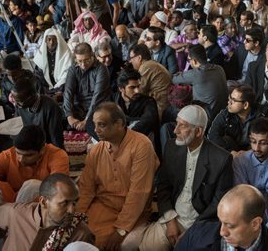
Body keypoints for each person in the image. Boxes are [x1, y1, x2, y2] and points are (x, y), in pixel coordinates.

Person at [139, 105, 233, 251]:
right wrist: (170, 221)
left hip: (201, 222)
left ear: (198, 131)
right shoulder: (171, 147)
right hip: (172, 216)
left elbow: (218, 203)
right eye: (177, 123)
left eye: (182, 126)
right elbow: (163, 185)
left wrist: (193, 231)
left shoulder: (221, 159)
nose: (175, 130)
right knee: (147, 247)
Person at [77, 102, 159, 250]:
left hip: (134, 212)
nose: (96, 130)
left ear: (119, 124)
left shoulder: (141, 145)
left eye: (101, 125)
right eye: (95, 124)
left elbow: (138, 193)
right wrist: (76, 216)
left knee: (107, 243)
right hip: (103, 206)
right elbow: (86, 189)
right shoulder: (96, 151)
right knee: (79, 235)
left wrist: (121, 229)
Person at [0, 173, 94, 250]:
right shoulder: (16, 213)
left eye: (74, 203)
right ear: (43, 202)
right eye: (64, 203)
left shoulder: (81, 235)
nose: (71, 211)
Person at [173, 184, 268, 251]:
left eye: (230, 226)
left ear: (255, 223)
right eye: (221, 221)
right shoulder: (197, 232)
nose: (222, 232)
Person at [233, 117, 268, 233]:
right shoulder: (240, 161)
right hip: (246, 217)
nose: (256, 148)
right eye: (253, 141)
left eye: (263, 143)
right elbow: (241, 197)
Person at [0, 125, 69, 204]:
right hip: (10, 205)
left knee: (32, 187)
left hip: (40, 207)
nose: (21, 159)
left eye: (28, 155)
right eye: (18, 153)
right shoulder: (8, 155)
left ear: (42, 150)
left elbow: (57, 187)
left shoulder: (58, 155)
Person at [63, 43, 110, 139]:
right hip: (78, 108)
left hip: (97, 108)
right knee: (56, 117)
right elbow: (68, 93)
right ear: (75, 59)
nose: (83, 65)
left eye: (86, 60)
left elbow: (97, 97)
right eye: (80, 61)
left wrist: (87, 120)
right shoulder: (73, 69)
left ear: (92, 55)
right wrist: (70, 117)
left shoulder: (101, 69)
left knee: (98, 127)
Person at [172, 44, 227, 120]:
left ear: (194, 61)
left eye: (189, 60)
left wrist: (181, 74)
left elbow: (174, 79)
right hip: (224, 114)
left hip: (205, 118)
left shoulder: (196, 73)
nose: (189, 62)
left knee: (172, 111)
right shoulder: (219, 68)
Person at [12, 77, 64, 149]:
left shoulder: (51, 107)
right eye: (15, 101)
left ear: (31, 97)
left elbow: (56, 139)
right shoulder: (20, 106)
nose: (16, 105)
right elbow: (16, 131)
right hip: (26, 147)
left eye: (19, 102)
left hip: (45, 148)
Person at [208, 84, 259, 153]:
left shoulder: (262, 116)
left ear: (245, 105)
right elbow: (212, 136)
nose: (229, 102)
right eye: (230, 98)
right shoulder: (226, 114)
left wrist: (249, 153)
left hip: (255, 153)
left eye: (234, 100)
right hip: (231, 151)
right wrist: (231, 151)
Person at [112, 67, 159, 138]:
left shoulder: (148, 101)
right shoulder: (111, 100)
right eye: (132, 87)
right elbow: (92, 120)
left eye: (138, 86)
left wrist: (124, 136)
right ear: (121, 89)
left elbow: (148, 121)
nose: (137, 91)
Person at [128, 43, 171, 119]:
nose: (130, 61)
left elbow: (139, 92)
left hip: (160, 108)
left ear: (139, 57)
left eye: (131, 58)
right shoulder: (152, 64)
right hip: (163, 104)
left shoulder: (146, 67)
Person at [33, 27, 73, 99]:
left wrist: (60, 88)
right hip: (45, 87)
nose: (51, 42)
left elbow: (67, 73)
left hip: (61, 86)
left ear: (58, 40)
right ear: (45, 40)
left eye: (54, 40)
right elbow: (38, 73)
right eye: (49, 39)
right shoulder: (41, 54)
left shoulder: (66, 53)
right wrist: (45, 88)